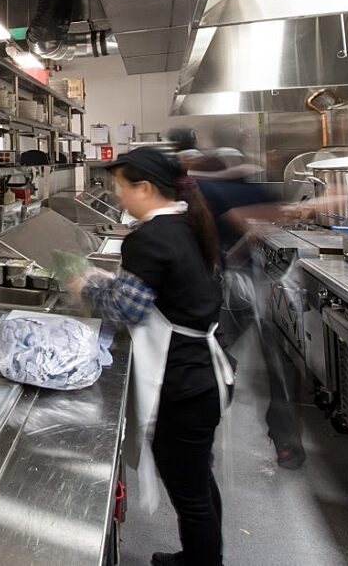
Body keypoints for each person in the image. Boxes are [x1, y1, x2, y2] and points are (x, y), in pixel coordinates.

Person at [68, 147, 233, 566]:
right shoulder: (185, 223)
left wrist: (83, 289)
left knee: (188, 486)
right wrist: (109, 281)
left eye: (121, 187)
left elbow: (128, 309)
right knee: (196, 475)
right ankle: (202, 555)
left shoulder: (150, 237)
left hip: (184, 383)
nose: (118, 195)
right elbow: (160, 292)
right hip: (203, 373)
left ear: (144, 187)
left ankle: (202, 562)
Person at [191, 151, 306, 469]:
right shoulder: (248, 186)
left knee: (217, 363)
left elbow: (241, 226)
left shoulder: (206, 191)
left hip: (228, 289)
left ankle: (203, 443)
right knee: (278, 367)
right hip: (259, 285)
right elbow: (264, 221)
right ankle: (285, 441)